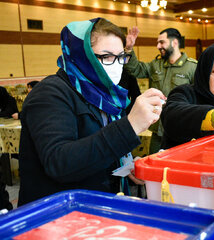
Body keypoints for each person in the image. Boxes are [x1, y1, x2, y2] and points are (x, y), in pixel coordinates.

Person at [18, 18, 166, 206]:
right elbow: (60, 162)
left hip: (97, 206)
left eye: (121, 57)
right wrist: (130, 126)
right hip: (58, 214)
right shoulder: (49, 93)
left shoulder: (104, 95)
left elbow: (98, 148)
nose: (118, 65)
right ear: (82, 54)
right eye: (107, 57)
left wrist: (124, 165)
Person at [124, 27, 197, 153]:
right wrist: (129, 49)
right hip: (158, 130)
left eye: (162, 42)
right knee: (153, 165)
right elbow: (135, 69)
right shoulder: (155, 65)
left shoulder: (192, 67)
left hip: (181, 132)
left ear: (174, 43)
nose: (158, 46)